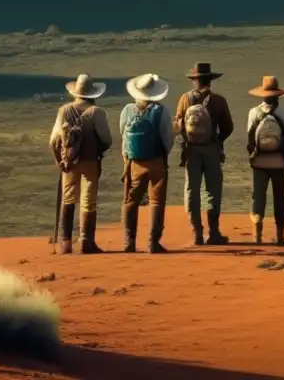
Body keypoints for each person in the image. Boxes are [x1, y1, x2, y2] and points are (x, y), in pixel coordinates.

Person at [49, 73, 113, 254]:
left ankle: (65, 243)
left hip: (69, 163)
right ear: (93, 94)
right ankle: (86, 241)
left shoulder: (64, 110)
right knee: (88, 201)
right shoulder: (98, 112)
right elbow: (107, 139)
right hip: (91, 161)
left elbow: (53, 141)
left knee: (68, 199)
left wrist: (59, 160)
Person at [175, 62, 235, 246]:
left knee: (192, 189)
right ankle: (214, 231)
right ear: (210, 80)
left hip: (191, 150)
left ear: (194, 80)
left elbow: (178, 125)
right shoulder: (218, 100)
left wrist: (187, 138)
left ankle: (196, 233)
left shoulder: (184, 99)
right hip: (211, 149)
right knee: (212, 190)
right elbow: (228, 127)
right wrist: (217, 140)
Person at [120, 73, 175, 254]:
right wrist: (163, 154)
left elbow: (123, 134)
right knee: (157, 202)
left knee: (130, 200)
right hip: (156, 160)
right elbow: (168, 138)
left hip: (134, 162)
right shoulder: (161, 111)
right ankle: (153, 243)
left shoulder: (127, 109)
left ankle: (129, 241)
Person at [245, 76, 284, 245]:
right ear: (278, 95)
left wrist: (252, 157)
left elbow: (250, 139)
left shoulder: (253, 112)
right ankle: (280, 235)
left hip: (259, 162)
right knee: (280, 196)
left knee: (257, 196)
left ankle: (257, 235)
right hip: (279, 162)